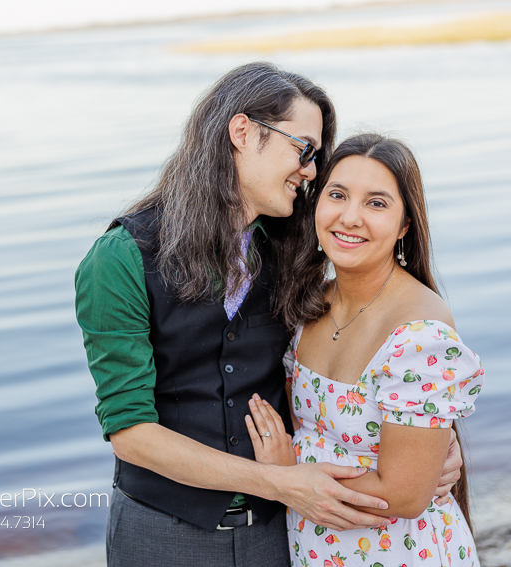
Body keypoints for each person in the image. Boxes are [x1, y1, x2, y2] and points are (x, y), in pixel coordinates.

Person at [75, 63, 463, 567]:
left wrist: (431, 441)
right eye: (304, 149)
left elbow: (372, 351)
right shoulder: (120, 257)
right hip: (162, 536)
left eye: (316, 157)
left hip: (281, 537)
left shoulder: (291, 251)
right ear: (242, 132)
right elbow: (131, 435)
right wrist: (281, 482)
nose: (311, 172)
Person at [245, 133, 483, 566]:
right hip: (317, 547)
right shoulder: (311, 304)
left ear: (405, 225)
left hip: (399, 553)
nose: (349, 217)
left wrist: (285, 477)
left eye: (376, 203)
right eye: (337, 195)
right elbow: (312, 429)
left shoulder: (419, 334)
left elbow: (405, 495)